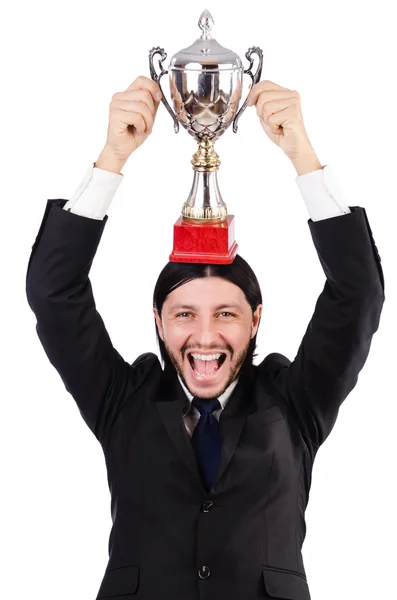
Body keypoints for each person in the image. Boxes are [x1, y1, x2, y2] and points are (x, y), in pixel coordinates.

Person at [26, 75, 385, 600]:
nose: (205, 335)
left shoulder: (295, 404)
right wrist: (112, 157)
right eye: (184, 315)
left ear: (256, 320)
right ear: (158, 320)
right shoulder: (121, 402)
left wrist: (302, 154)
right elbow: (54, 294)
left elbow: (358, 296)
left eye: (226, 313)